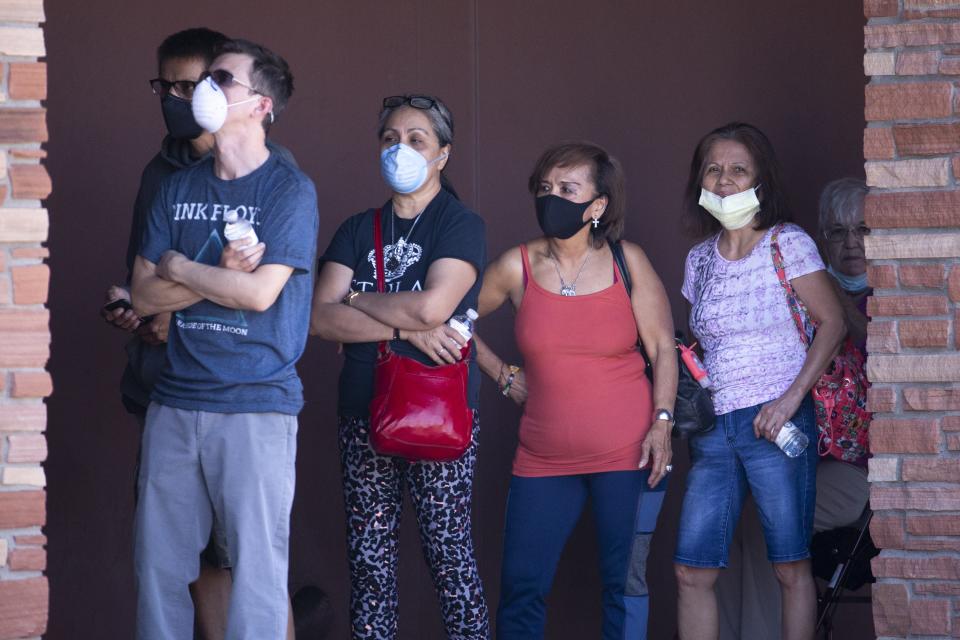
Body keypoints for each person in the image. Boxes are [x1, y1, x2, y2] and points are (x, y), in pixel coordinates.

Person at [130, 38, 318, 639]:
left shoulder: (289, 190)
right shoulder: (176, 188)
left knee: (259, 574)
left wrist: (182, 269)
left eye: (221, 79)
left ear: (261, 105)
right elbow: (141, 296)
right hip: (175, 403)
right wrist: (220, 276)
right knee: (159, 569)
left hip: (255, 405)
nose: (204, 90)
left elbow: (260, 294)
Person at [472, 141, 677, 640]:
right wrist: (502, 373)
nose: (552, 198)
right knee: (522, 587)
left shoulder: (629, 262)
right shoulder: (515, 266)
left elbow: (663, 349)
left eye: (567, 189)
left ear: (598, 205)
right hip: (542, 458)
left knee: (622, 587)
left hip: (628, 454)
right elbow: (451, 319)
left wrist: (663, 422)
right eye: (544, 188)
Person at [310, 94, 488, 639]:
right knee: (370, 567)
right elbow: (317, 317)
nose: (400, 149)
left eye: (416, 140)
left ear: (443, 155)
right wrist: (404, 326)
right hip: (363, 411)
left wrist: (359, 301)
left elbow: (435, 306)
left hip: (442, 413)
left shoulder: (460, 223)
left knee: (450, 560)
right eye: (390, 138)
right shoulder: (357, 228)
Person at [674, 122, 845, 640]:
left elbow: (832, 324)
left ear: (760, 181)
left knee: (790, 567)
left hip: (777, 423)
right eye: (714, 169)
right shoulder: (699, 260)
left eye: (738, 169)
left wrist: (789, 401)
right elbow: (709, 342)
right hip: (715, 429)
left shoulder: (785, 243)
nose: (724, 180)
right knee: (691, 570)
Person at [713, 177, 872, 640]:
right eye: (838, 232)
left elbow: (863, 338)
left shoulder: (896, 299)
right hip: (797, 451)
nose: (851, 243)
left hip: (859, 472)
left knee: (768, 521)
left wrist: (829, 297)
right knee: (725, 520)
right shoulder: (802, 296)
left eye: (863, 230)